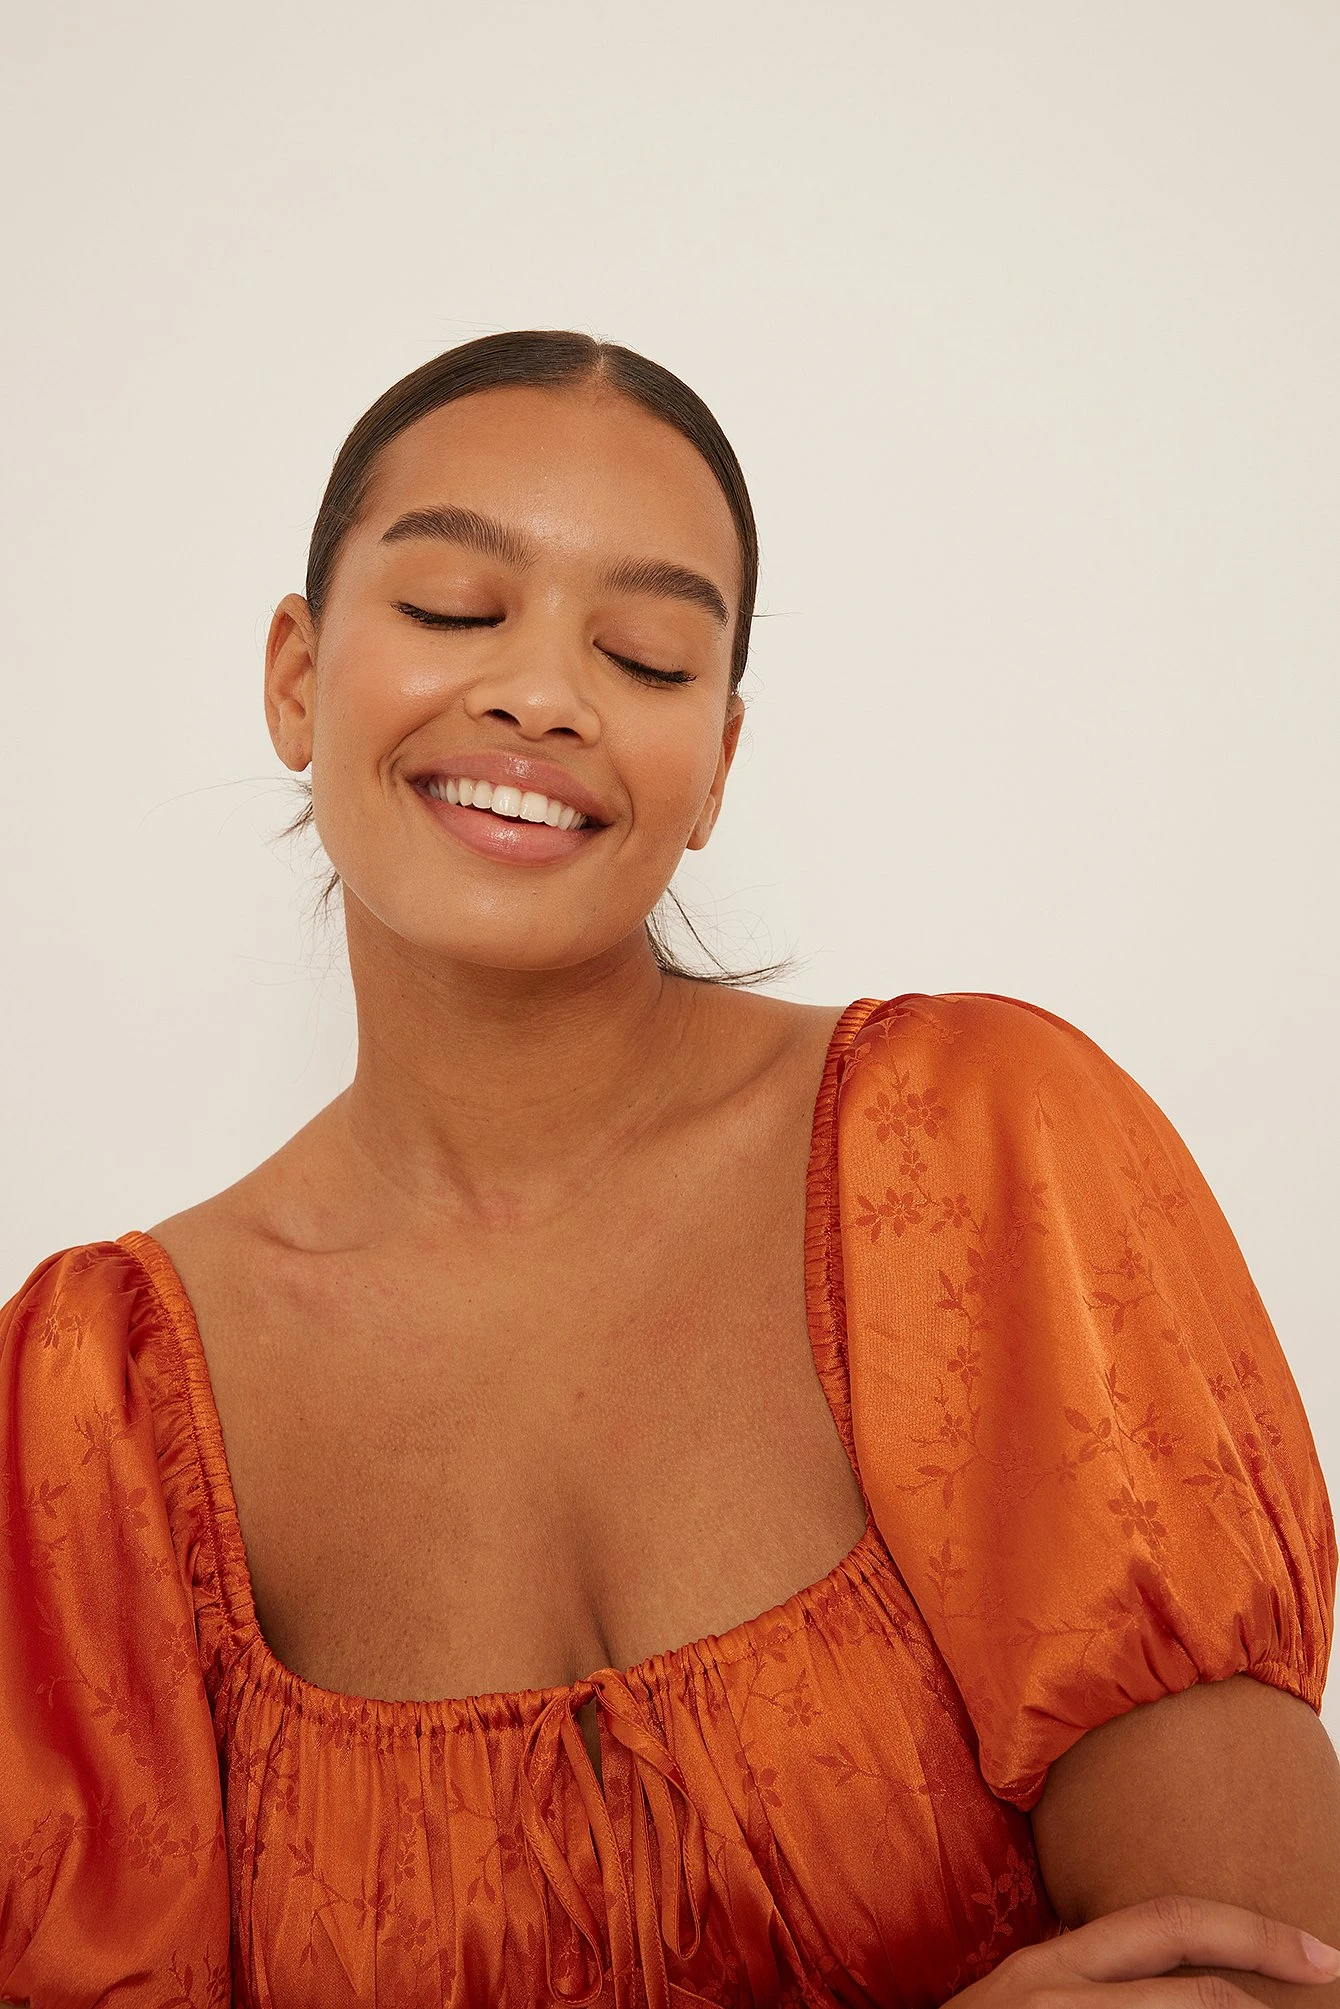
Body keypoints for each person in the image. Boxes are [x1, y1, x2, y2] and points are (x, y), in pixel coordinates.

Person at [1, 330, 1336, 2009]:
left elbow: (1263, 1968)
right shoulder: (97, 1410)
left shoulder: (980, 1156)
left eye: (643, 655)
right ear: (295, 675)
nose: (542, 695)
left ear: (715, 765)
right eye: (453, 611)